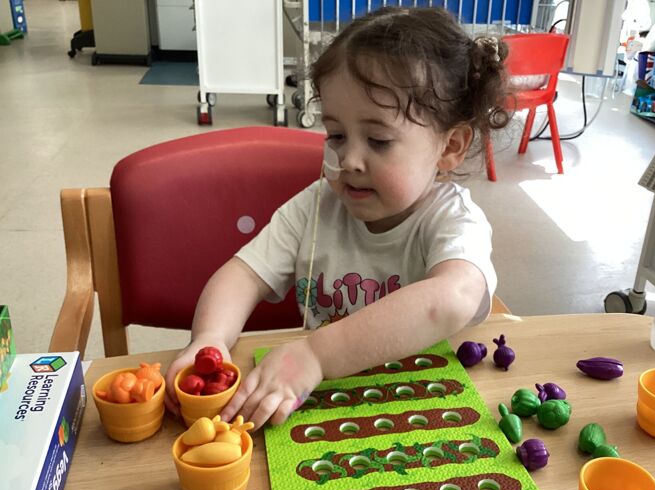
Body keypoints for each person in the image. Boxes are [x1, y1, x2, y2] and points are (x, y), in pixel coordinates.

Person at [164, 7, 510, 429]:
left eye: (378, 140)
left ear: (450, 146)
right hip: (319, 409)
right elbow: (243, 275)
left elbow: (453, 297)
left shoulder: (453, 220)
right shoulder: (316, 205)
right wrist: (210, 339)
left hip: (424, 408)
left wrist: (317, 355)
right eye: (337, 135)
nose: (348, 160)